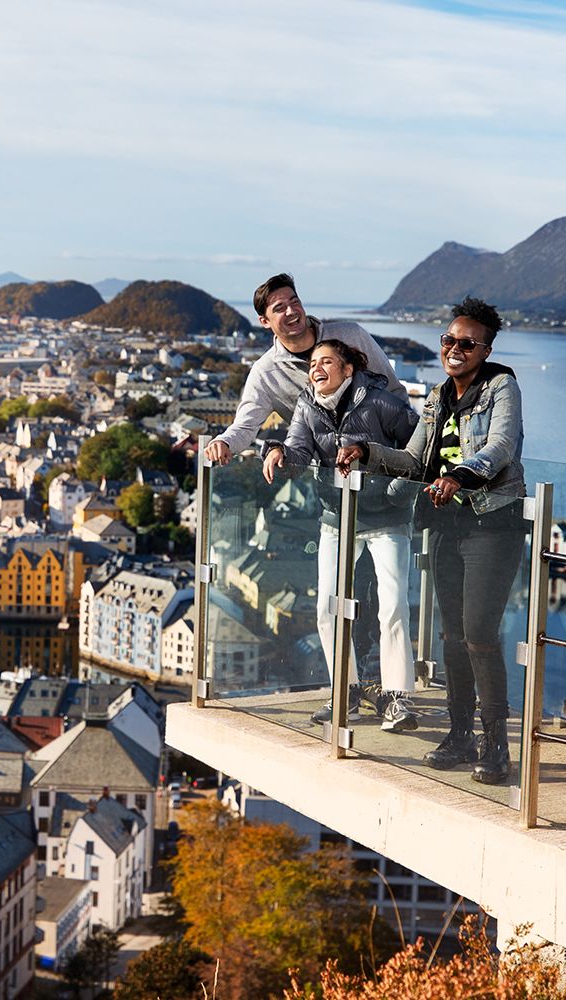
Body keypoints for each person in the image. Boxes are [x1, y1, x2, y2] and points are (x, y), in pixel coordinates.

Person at [352, 297, 525, 784]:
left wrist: (462, 476)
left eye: (467, 343)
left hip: (494, 524)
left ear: (485, 349)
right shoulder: (436, 398)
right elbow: (414, 461)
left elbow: (501, 447)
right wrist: (367, 452)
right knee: (451, 637)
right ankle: (459, 734)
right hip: (448, 527)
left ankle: (497, 747)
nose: (454, 348)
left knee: (480, 636)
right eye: (448, 340)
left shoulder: (501, 386)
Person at [262, 339, 420, 731]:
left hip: (387, 516)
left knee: (393, 606)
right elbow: (300, 450)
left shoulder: (381, 402)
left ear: (348, 370)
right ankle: (345, 692)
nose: (316, 368)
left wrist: (397, 489)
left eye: (326, 362)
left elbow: (419, 448)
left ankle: (399, 699)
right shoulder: (307, 404)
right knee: (328, 608)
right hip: (338, 515)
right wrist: (278, 450)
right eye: (313, 363)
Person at [201, 273, 397, 466]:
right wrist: (223, 441)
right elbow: (245, 426)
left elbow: (394, 391)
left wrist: (403, 459)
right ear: (265, 322)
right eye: (279, 308)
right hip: (331, 482)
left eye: (294, 302)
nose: (291, 311)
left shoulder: (351, 335)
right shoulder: (266, 373)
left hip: (387, 468)